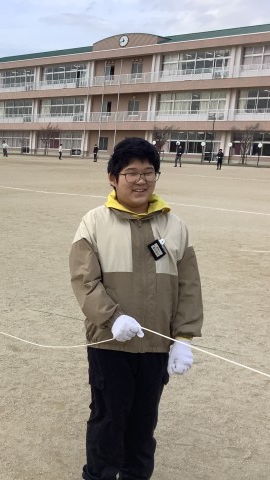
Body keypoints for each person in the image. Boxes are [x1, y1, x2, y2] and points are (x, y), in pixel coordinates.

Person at [69, 137, 203, 480]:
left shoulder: (175, 227)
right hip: (109, 344)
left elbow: (188, 286)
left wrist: (183, 338)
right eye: (131, 173)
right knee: (108, 419)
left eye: (148, 172)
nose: (140, 180)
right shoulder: (93, 222)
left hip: (156, 347)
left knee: (143, 423)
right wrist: (112, 318)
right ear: (113, 178)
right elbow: (84, 280)